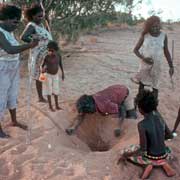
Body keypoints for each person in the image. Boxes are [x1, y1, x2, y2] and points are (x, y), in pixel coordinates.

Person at [0, 3, 39, 138]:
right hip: (2, 69)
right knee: (1, 97)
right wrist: (29, 45)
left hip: (13, 68)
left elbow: (16, 51)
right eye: (12, 18)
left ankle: (14, 121)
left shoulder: (10, 32)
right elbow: (10, 49)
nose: (15, 21)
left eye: (17, 18)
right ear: (3, 18)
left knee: (12, 95)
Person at [117, 90, 175, 178]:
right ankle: (164, 163)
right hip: (164, 154)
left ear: (140, 109)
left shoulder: (142, 125)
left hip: (151, 157)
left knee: (128, 151)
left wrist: (126, 155)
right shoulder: (160, 118)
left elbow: (142, 150)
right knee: (164, 150)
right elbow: (169, 135)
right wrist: (158, 137)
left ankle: (147, 166)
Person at [65, 84, 137, 136]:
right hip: (114, 91)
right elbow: (81, 115)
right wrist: (73, 127)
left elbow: (122, 108)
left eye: (88, 111)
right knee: (116, 113)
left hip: (125, 92)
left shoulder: (105, 104)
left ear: (91, 107)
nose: (88, 113)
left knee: (131, 118)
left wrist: (118, 126)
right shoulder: (91, 100)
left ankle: (133, 102)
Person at [132, 16, 174, 102]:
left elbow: (166, 52)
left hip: (157, 66)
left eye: (157, 26)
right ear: (149, 26)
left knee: (155, 86)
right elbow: (135, 50)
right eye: (153, 26)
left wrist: (171, 66)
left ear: (160, 25)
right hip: (145, 65)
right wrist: (144, 58)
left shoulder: (163, 36)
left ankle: (153, 107)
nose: (155, 28)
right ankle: (138, 103)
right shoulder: (145, 35)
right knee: (142, 85)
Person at [20, 3, 53, 102]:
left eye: (42, 16)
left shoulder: (41, 24)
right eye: (39, 16)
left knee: (42, 74)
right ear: (32, 16)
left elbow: (46, 34)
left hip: (44, 54)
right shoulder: (31, 25)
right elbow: (23, 37)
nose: (41, 18)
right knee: (39, 75)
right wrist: (35, 41)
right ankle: (40, 97)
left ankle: (42, 95)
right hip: (38, 54)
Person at [40, 41, 64, 111]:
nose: (50, 52)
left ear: (55, 49)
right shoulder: (46, 56)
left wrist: (63, 73)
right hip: (48, 75)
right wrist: (42, 70)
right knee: (49, 90)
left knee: (56, 90)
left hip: (55, 75)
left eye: (52, 50)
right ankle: (50, 106)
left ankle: (57, 105)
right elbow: (41, 66)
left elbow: (60, 64)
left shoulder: (58, 55)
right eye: (49, 50)